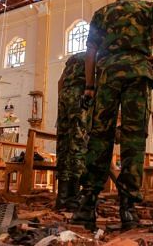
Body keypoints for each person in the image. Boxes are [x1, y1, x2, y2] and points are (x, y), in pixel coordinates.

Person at [71, 0, 153, 230]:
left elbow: (90, 50)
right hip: (138, 74)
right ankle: (128, 208)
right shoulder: (145, 8)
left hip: (107, 77)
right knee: (133, 139)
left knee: (99, 137)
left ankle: (87, 204)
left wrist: (90, 86)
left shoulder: (102, 12)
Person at [55, 52, 89, 211]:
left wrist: (63, 99)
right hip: (80, 96)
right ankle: (74, 198)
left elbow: (60, 82)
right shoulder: (92, 57)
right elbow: (93, 82)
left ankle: (61, 198)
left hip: (64, 97)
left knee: (63, 146)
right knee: (78, 144)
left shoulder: (72, 60)